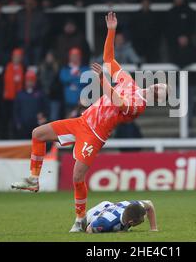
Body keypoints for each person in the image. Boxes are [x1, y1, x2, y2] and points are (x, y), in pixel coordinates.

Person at [11, 12, 168, 232]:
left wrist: (103, 80)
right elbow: (109, 59)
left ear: (156, 99)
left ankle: (79, 219)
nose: (159, 86)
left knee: (77, 176)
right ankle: (34, 179)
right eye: (161, 85)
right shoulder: (129, 81)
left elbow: (117, 101)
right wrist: (111, 31)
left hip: (95, 134)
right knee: (38, 133)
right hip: (82, 121)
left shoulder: (138, 107)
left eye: (162, 91)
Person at [84, 200, 158, 233]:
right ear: (131, 222)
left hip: (109, 206)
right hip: (92, 214)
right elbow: (89, 229)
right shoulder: (105, 223)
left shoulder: (136, 205)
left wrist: (154, 229)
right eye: (141, 221)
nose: (144, 219)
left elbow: (149, 204)